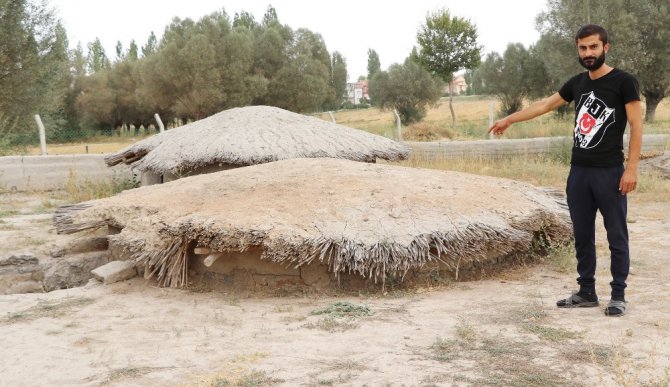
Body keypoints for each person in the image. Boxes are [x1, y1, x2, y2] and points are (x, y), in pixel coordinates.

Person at [488, 24, 643, 317]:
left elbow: (636, 125)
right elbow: (545, 105)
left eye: (593, 47)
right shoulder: (577, 83)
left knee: (616, 235)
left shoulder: (624, 82)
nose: (588, 53)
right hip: (579, 173)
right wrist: (510, 119)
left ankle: (618, 295)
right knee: (582, 235)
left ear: (605, 48)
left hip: (610, 172)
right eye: (583, 48)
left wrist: (631, 169)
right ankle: (586, 292)